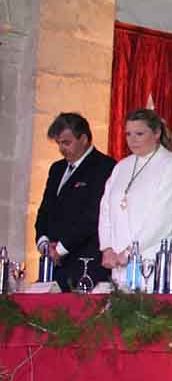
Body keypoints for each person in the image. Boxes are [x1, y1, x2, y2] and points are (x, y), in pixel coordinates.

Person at [98, 109, 172, 288]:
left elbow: (164, 217)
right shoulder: (121, 166)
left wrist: (131, 251)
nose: (132, 140)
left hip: (151, 260)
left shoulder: (171, 165)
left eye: (139, 134)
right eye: (128, 134)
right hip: (118, 262)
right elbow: (106, 208)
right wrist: (107, 247)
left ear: (156, 133)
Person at [34, 113, 116, 291]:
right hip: (53, 263)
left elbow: (93, 215)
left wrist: (61, 248)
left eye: (67, 143)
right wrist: (43, 242)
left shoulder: (104, 166)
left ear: (84, 139)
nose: (62, 149)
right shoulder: (57, 168)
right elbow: (45, 209)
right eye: (59, 144)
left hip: (85, 261)